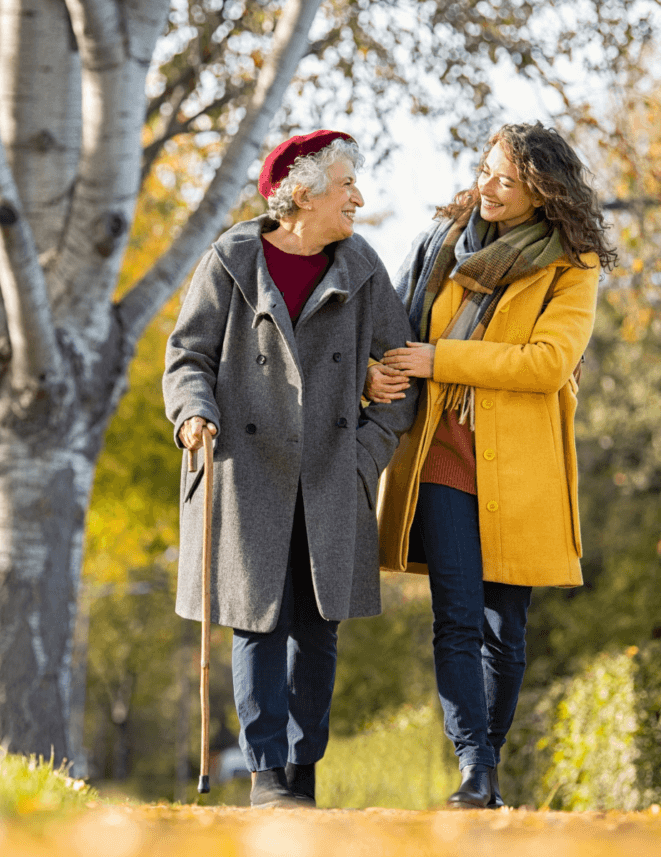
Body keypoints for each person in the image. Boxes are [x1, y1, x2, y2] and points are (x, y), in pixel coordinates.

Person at [162, 130, 419, 808]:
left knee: (318, 626)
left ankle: (304, 770)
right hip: (248, 469)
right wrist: (192, 412)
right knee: (258, 620)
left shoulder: (362, 266)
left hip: (333, 472)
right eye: (345, 187)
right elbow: (188, 357)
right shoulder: (231, 260)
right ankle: (267, 772)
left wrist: (365, 456)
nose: (358, 199)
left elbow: (401, 374)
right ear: (301, 196)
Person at [368, 122, 617, 808]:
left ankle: (489, 764)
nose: (487, 187)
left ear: (542, 194)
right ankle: (474, 769)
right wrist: (379, 368)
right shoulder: (445, 242)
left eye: (506, 181)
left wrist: (441, 359)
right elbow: (396, 323)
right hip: (443, 450)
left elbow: (546, 363)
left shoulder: (572, 265)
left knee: (506, 628)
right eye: (486, 170)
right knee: (457, 615)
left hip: (522, 468)